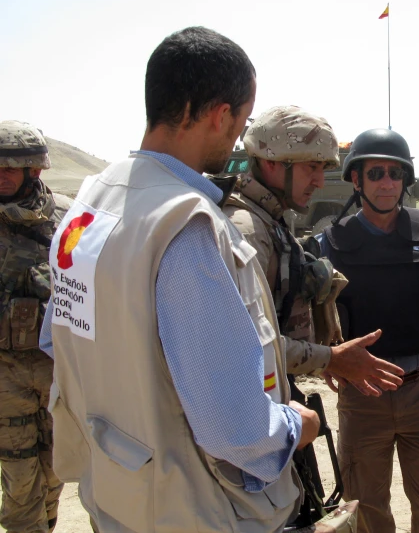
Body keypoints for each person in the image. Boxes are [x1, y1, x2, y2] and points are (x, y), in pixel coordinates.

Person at [39, 26, 319, 533]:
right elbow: (233, 429)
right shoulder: (185, 227)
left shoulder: (89, 204)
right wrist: (299, 423)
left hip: (117, 491)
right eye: (242, 118)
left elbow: (60, 340)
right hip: (190, 509)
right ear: (220, 115)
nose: (239, 132)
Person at [320, 128, 419, 533]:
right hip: (362, 397)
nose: (387, 183)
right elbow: (306, 304)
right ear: (356, 179)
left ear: (405, 180)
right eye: (375, 173)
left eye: (395, 174)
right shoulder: (331, 243)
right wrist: (327, 356)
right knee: (366, 510)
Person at [223, 106, 404, 396]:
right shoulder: (246, 230)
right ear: (271, 162)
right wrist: (331, 360)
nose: (320, 181)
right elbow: (240, 345)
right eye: (312, 167)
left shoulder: (269, 221)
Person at [0, 120, 69, 533]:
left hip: (55, 367)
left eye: (11, 167)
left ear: (35, 169)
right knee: (20, 473)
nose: (2, 175)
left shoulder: (63, 215)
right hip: (5, 373)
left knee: (56, 466)